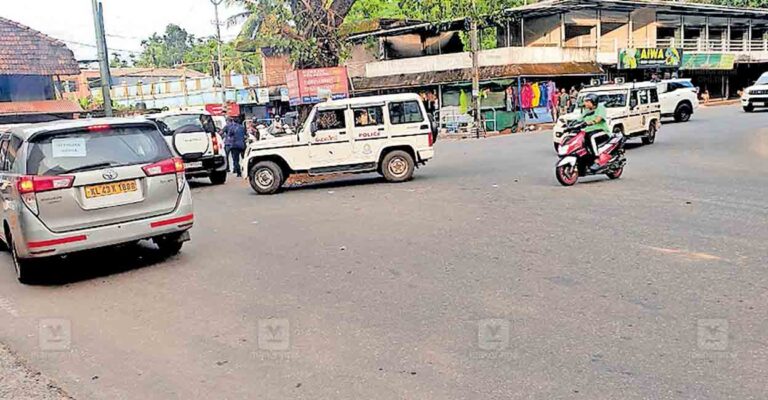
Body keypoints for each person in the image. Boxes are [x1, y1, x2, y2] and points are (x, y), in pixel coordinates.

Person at [580, 94, 609, 171]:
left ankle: (597, 159)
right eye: (584, 101)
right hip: (588, 131)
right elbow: (579, 119)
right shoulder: (586, 110)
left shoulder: (600, 108)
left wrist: (592, 122)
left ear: (593, 102)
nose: (585, 103)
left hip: (602, 131)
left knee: (591, 137)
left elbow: (598, 119)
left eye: (587, 101)